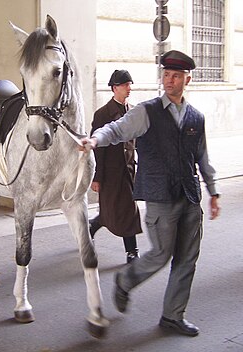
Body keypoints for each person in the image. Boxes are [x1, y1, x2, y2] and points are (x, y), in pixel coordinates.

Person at [80, 50, 220, 336]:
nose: (169, 80)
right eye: (166, 75)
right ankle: (125, 281)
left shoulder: (196, 117)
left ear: (187, 79)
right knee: (160, 254)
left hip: (190, 196)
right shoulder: (147, 111)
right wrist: (95, 139)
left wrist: (213, 191)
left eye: (176, 76)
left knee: (187, 259)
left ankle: (172, 315)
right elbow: (117, 129)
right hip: (160, 196)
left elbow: (202, 157)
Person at [89, 69, 142, 264]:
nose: (129, 88)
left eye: (130, 85)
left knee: (125, 208)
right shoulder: (103, 114)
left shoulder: (134, 111)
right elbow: (98, 149)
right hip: (111, 172)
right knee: (116, 209)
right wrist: (97, 177)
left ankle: (93, 227)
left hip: (128, 170)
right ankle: (132, 251)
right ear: (114, 88)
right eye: (125, 85)